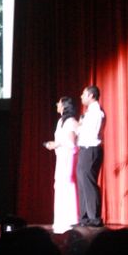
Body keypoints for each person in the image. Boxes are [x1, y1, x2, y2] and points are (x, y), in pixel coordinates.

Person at [43, 97, 80, 233]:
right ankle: (61, 220)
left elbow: (71, 142)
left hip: (69, 156)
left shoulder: (71, 121)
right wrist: (54, 144)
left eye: (58, 103)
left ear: (64, 106)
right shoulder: (60, 121)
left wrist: (56, 144)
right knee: (59, 185)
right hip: (61, 156)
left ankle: (71, 219)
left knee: (67, 184)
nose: (56, 104)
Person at [75, 85, 105, 227]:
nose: (81, 96)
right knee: (82, 183)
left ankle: (94, 218)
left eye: (84, 94)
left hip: (91, 149)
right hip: (84, 150)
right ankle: (84, 218)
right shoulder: (89, 113)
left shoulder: (96, 112)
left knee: (89, 183)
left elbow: (91, 133)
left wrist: (80, 127)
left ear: (91, 96)